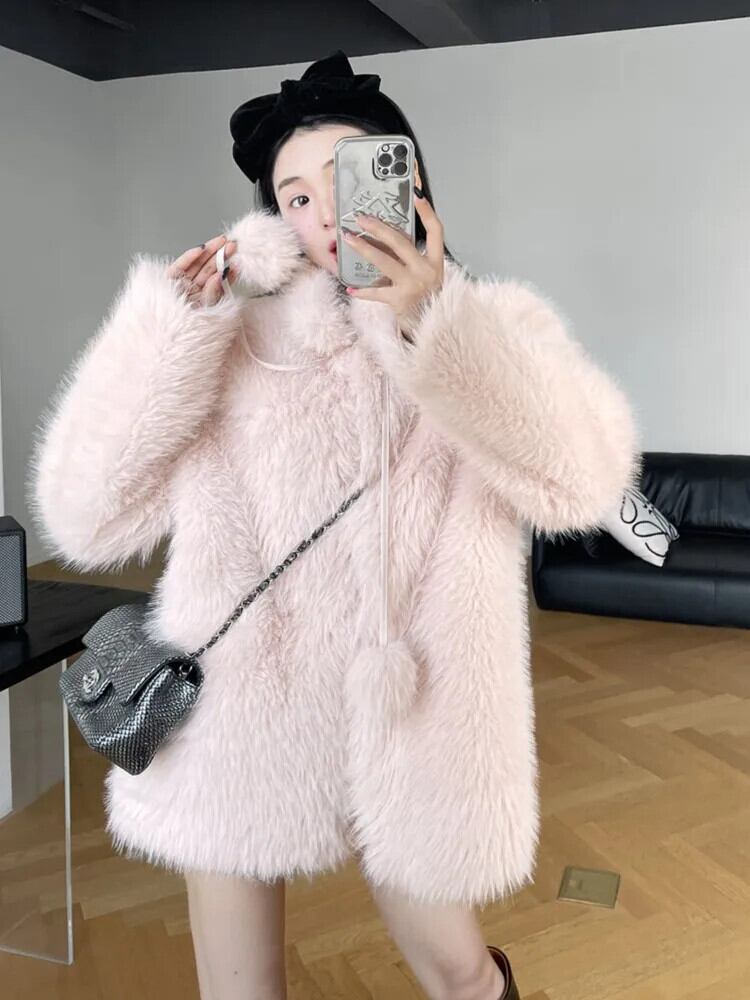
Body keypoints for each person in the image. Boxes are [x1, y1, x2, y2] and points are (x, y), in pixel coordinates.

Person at [26, 49, 642, 1000]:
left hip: (418, 713)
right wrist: (169, 331)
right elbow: (85, 516)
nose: (324, 216)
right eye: (296, 197)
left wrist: (439, 326)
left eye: (347, 179)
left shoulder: (492, 329)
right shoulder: (231, 341)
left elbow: (580, 485)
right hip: (240, 714)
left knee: (464, 977)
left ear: (406, 180)